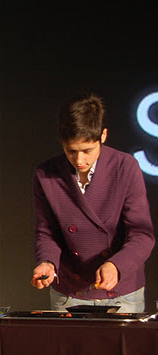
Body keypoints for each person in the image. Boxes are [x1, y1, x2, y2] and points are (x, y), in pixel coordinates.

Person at [31, 93, 155, 312]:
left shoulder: (125, 167)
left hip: (122, 293)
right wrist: (47, 263)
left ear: (103, 136)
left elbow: (142, 235)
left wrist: (116, 265)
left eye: (87, 151)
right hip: (69, 293)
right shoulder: (45, 174)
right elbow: (47, 233)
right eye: (71, 151)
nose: (79, 160)